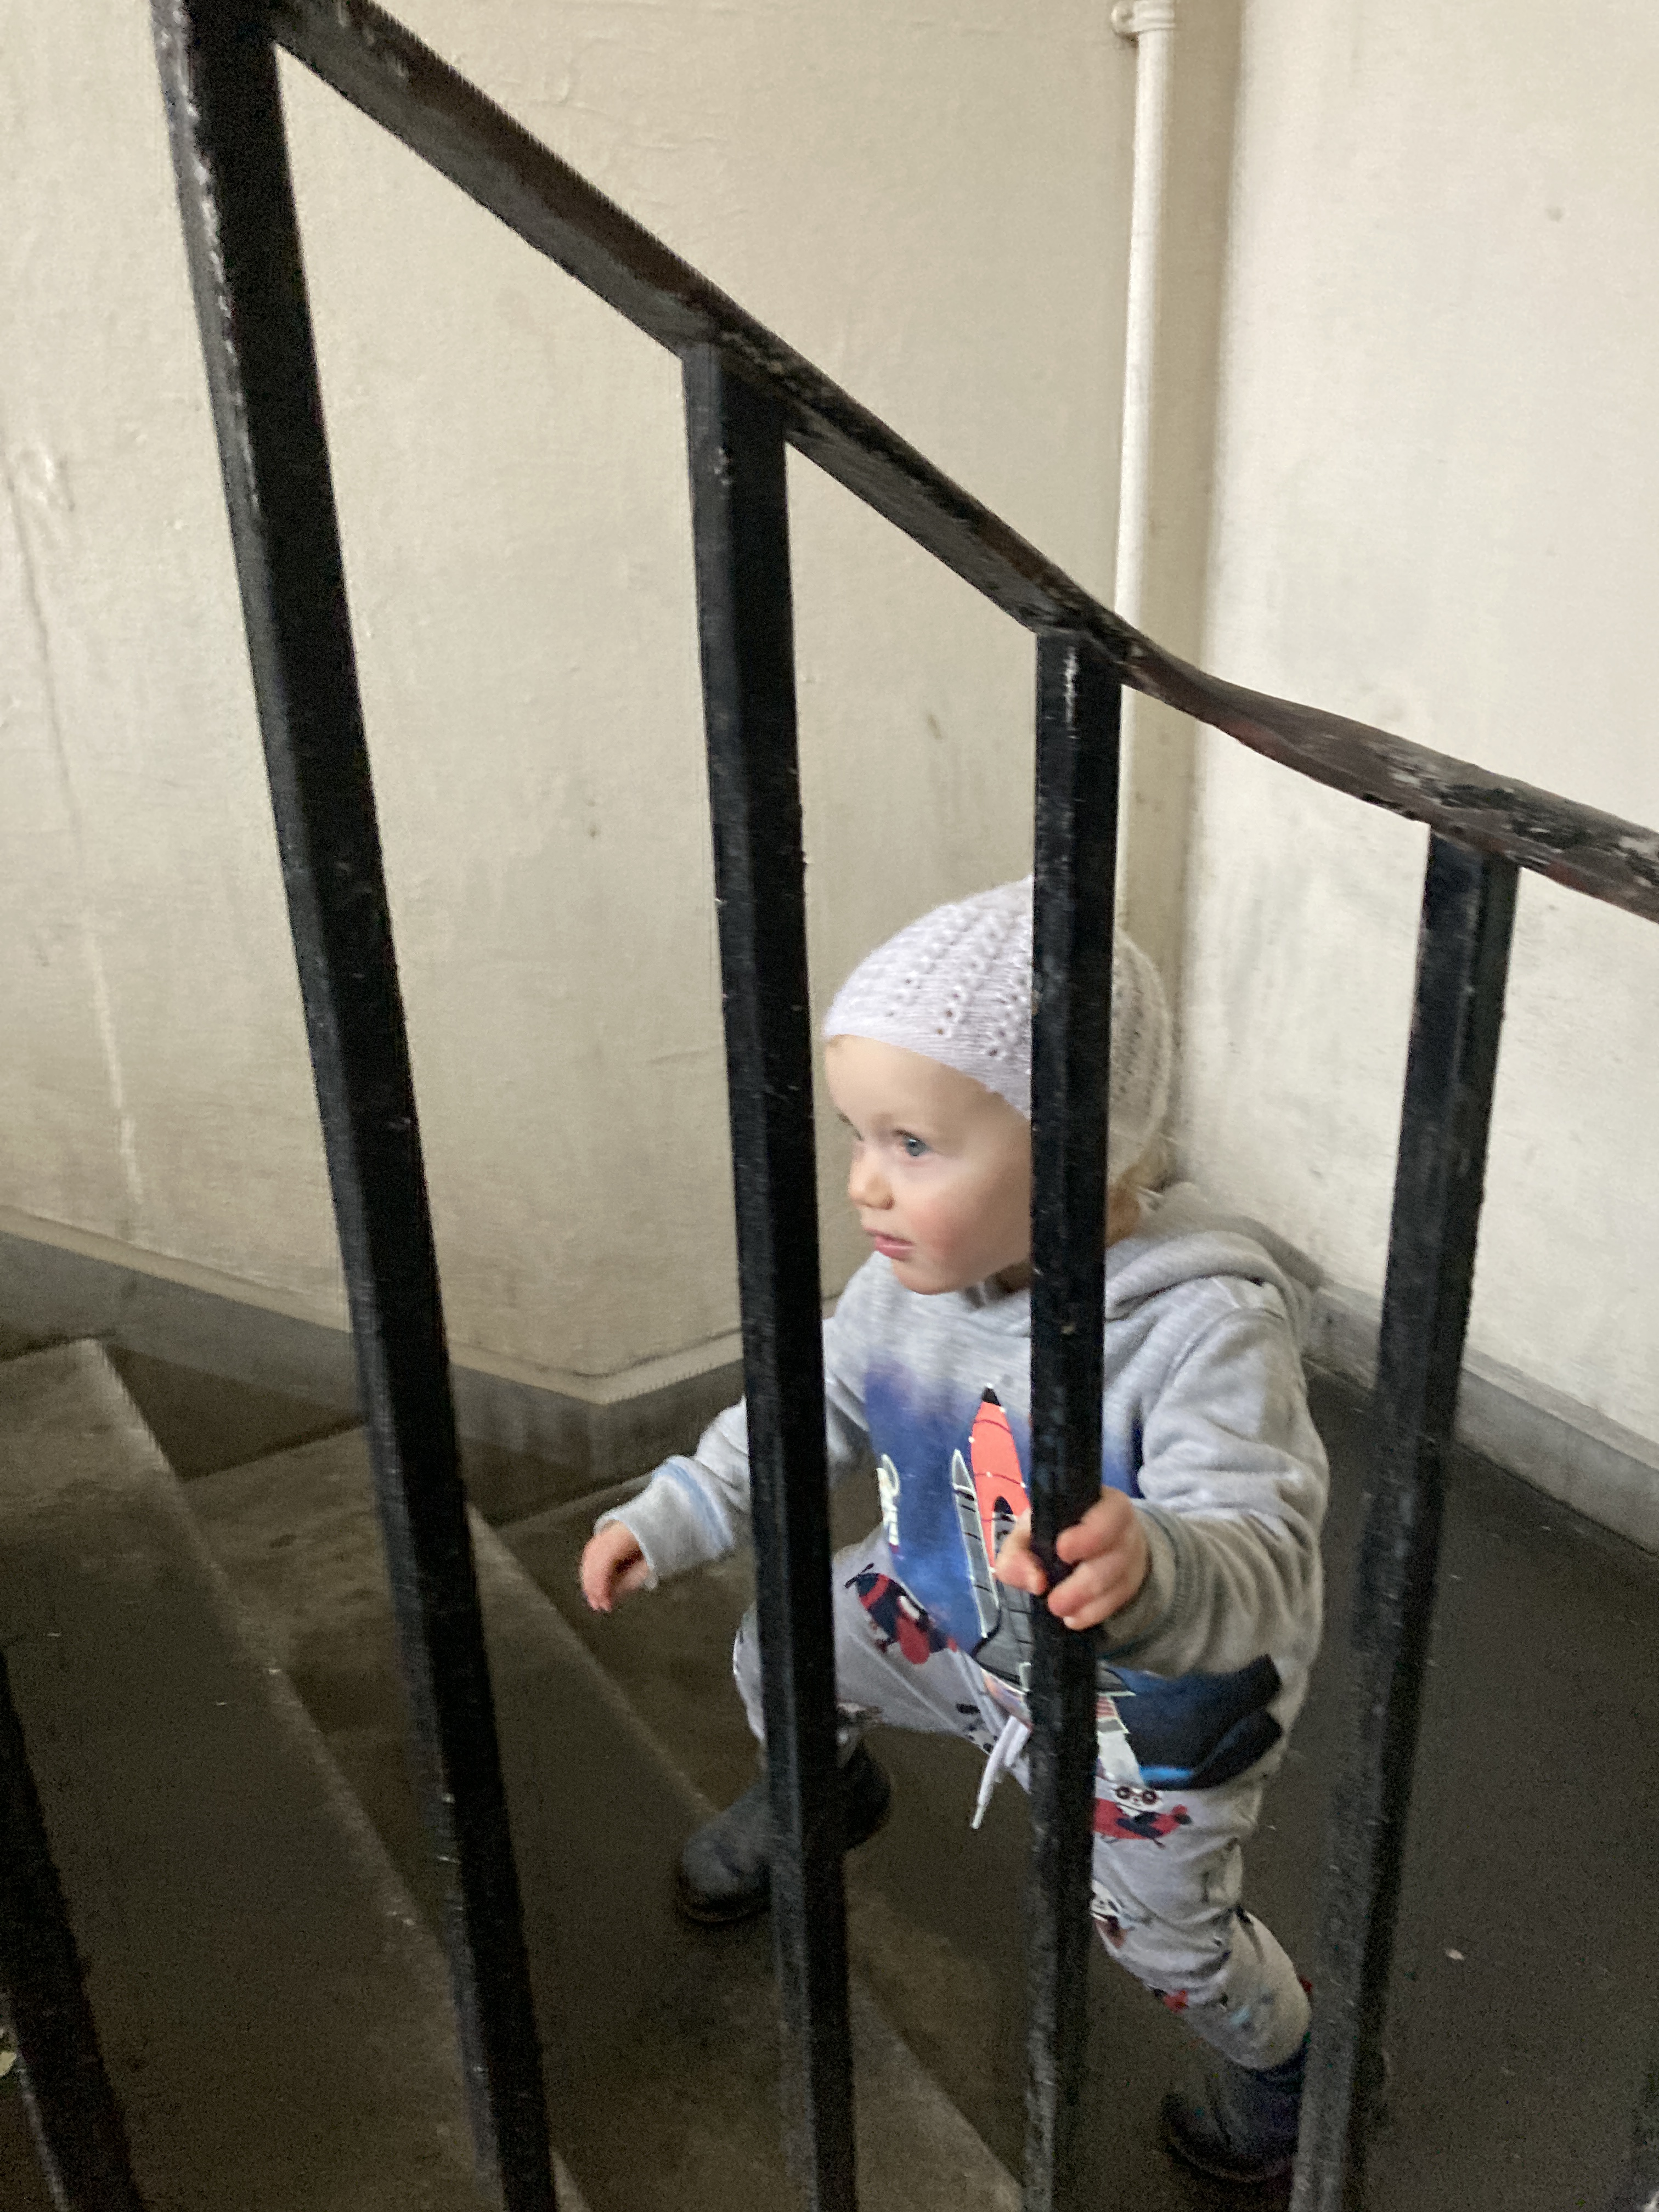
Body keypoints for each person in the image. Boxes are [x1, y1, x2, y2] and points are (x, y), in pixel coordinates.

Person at [580, 876, 1328, 2186]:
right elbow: (809, 1400)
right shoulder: (907, 1283)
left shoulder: (1204, 1328)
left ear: (1078, 1148)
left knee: (1170, 1949)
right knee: (782, 1650)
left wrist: (1155, 1566)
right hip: (940, 1611)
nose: (865, 1183)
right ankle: (825, 1791)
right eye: (859, 1136)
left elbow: (1266, 1553)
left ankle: (1287, 2070)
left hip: (1141, 1715)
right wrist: (688, 1503)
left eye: (914, 1144)